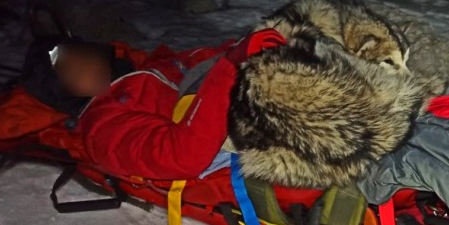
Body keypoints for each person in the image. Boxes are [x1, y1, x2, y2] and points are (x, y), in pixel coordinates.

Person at [17, 29, 286, 180]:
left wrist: (247, 44)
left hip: (257, 97)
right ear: (63, 94)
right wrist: (230, 68)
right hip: (245, 131)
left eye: (83, 57)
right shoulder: (103, 126)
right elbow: (181, 156)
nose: (87, 68)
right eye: (73, 74)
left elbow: (204, 59)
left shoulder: (149, 68)